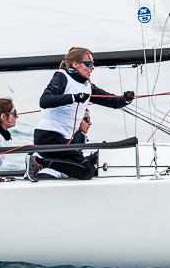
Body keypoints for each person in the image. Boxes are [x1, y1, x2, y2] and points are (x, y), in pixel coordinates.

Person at [33, 47, 133, 180]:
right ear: (75, 64)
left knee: (86, 167)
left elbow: (110, 101)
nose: (92, 68)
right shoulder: (62, 76)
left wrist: (125, 99)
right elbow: (44, 101)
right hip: (48, 137)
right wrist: (74, 97)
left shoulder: (87, 86)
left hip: (64, 140)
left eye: (93, 64)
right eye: (89, 64)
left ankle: (45, 164)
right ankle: (40, 163)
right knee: (87, 171)